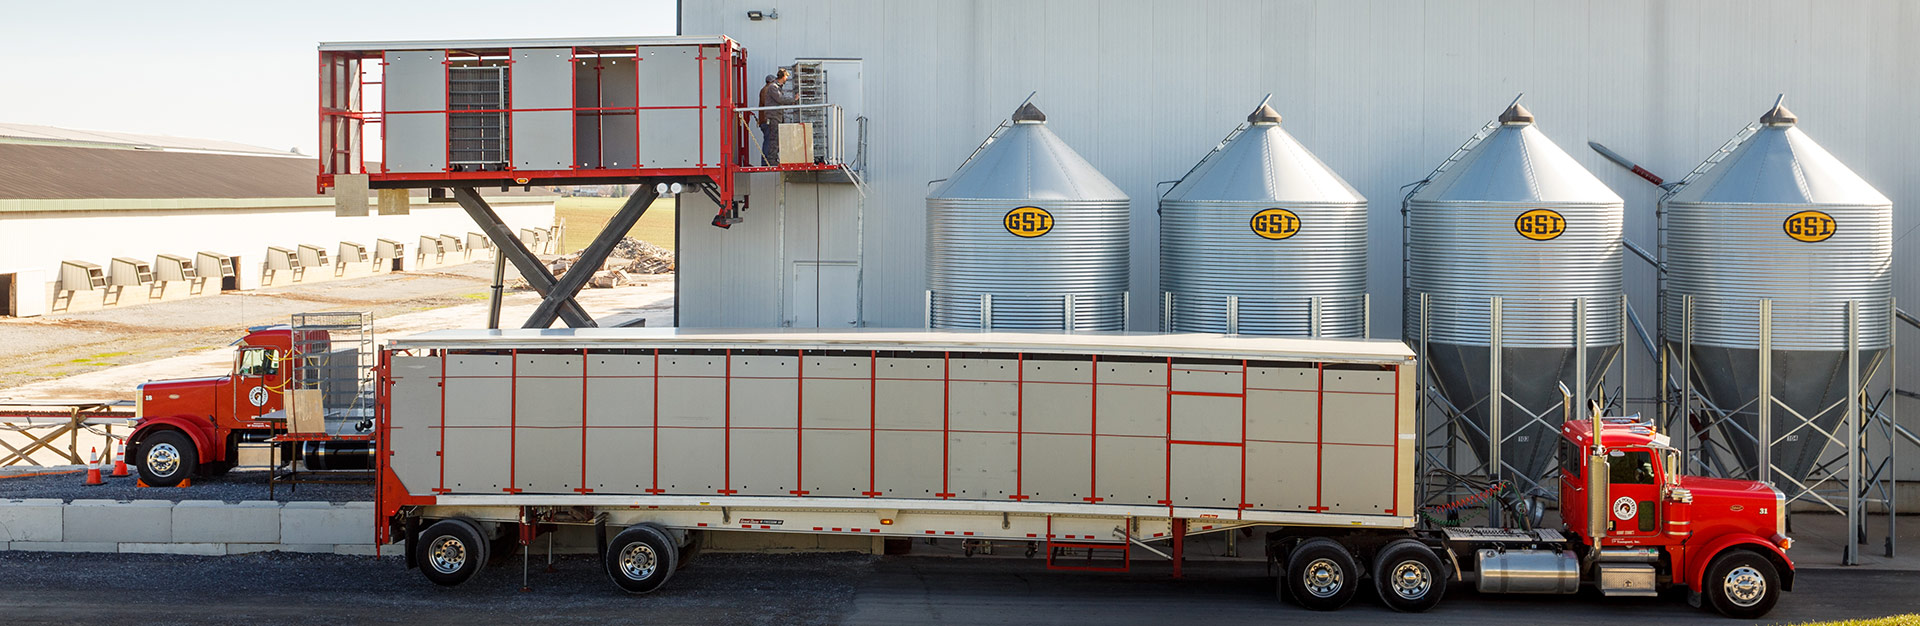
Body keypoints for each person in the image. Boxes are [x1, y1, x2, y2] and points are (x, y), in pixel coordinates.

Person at [758, 69, 797, 166]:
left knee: (773, 139)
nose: (787, 79)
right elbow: (779, 99)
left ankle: (771, 160)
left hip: (774, 117)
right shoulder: (772, 87)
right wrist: (793, 100)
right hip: (772, 117)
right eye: (786, 77)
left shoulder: (772, 88)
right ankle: (769, 161)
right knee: (772, 139)